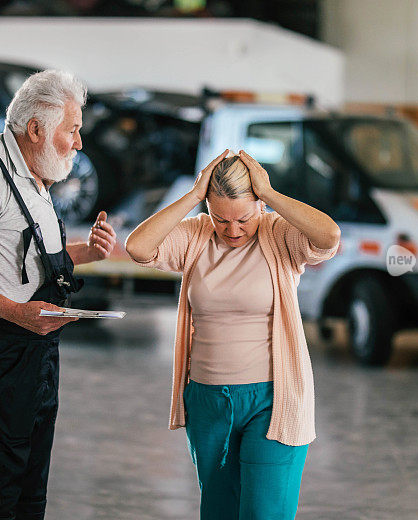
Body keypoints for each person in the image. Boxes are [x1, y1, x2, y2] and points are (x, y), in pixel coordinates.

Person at [0, 69, 117, 520]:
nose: (79, 142)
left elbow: (23, 258)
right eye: (72, 129)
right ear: (36, 129)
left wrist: (86, 252)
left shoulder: (34, 176)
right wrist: (16, 313)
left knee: (29, 498)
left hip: (36, 358)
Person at [125, 149, 340, 519]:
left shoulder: (279, 234)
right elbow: (138, 248)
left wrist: (270, 194)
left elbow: (328, 236)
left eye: (243, 218)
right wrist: (193, 196)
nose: (233, 230)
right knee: (219, 511)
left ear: (258, 205)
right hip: (207, 401)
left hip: (273, 400)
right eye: (220, 218)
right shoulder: (197, 235)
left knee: (264, 513)